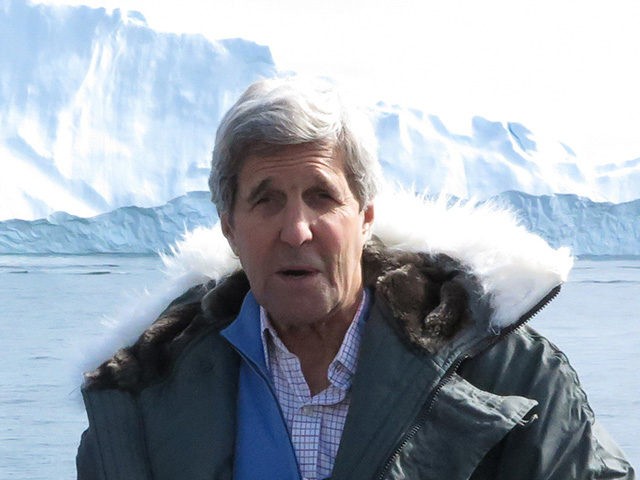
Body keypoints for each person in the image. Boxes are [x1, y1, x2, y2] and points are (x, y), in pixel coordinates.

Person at [76, 77, 635, 480]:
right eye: (266, 201)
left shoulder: (511, 376)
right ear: (229, 227)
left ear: (365, 216)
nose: (297, 230)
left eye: (321, 197)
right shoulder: (142, 401)